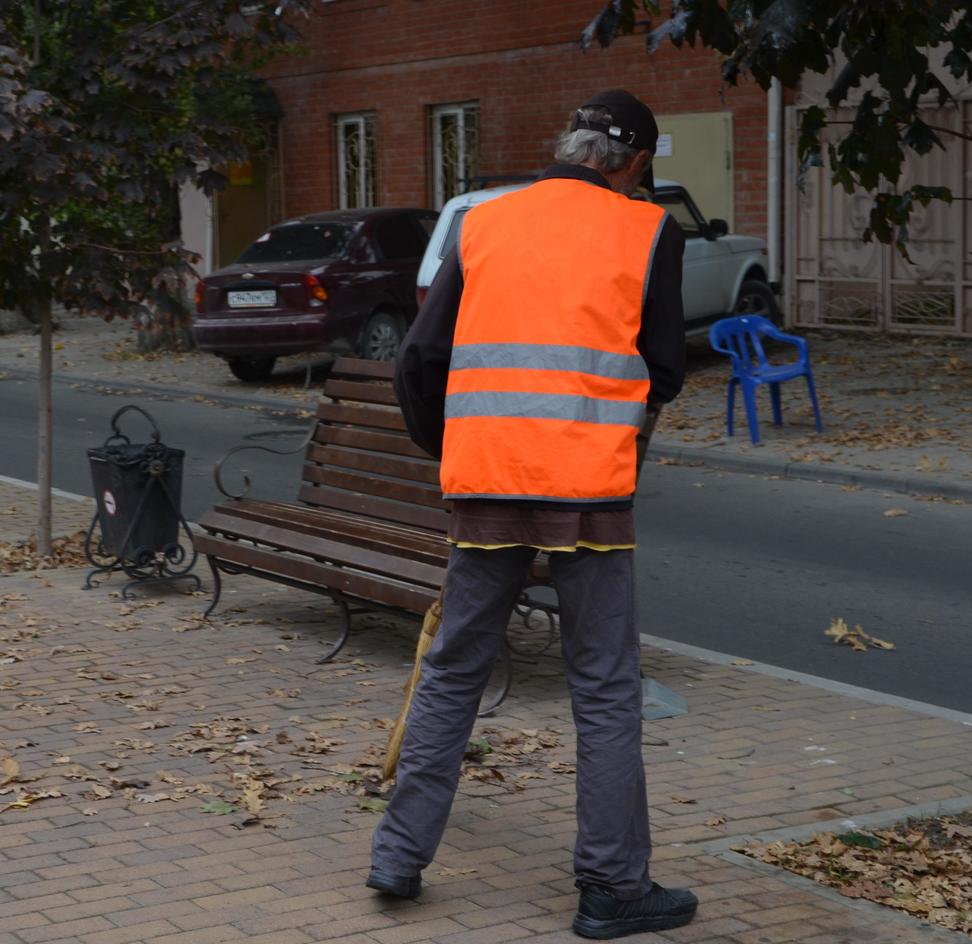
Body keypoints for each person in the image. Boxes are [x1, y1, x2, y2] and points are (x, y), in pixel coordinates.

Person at [367, 89, 694, 940]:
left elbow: (419, 359)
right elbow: (663, 365)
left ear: (569, 144)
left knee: (453, 670)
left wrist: (457, 448)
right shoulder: (650, 233)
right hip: (588, 490)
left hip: (487, 481)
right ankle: (612, 888)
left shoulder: (483, 223)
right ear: (634, 163)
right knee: (605, 686)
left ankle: (398, 857)